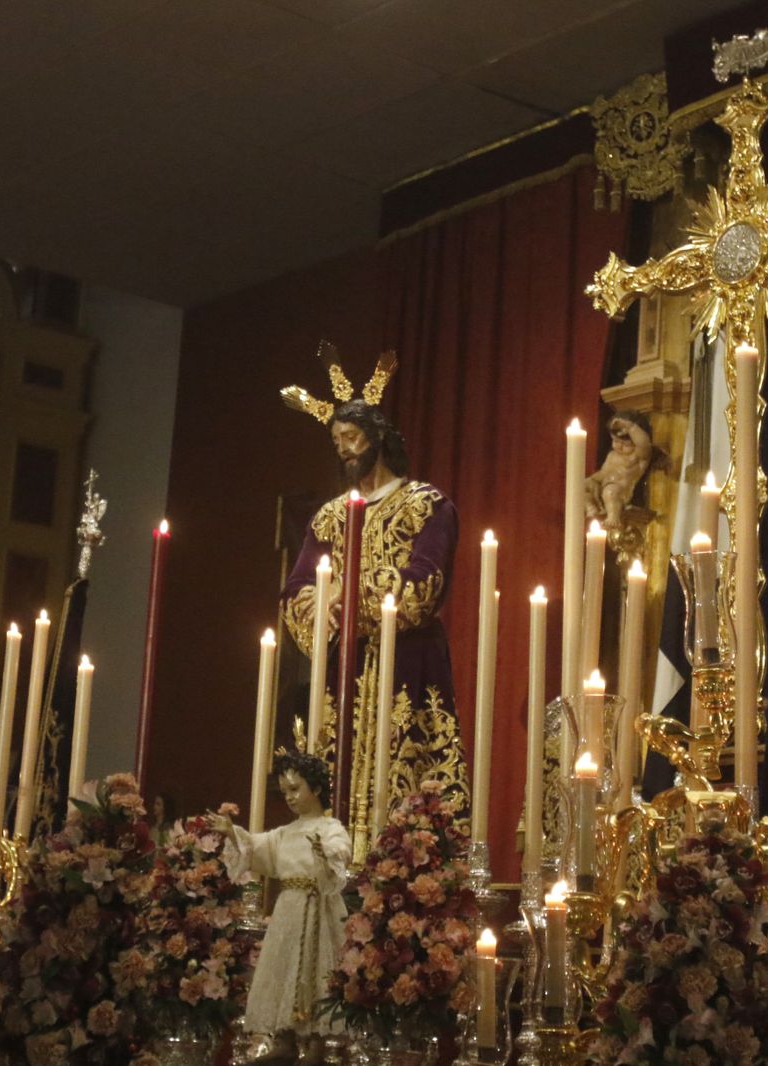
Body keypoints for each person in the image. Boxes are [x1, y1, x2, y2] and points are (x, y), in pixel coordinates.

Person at [279, 386, 465, 860]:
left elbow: (425, 581)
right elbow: (297, 588)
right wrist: (322, 604)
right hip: (344, 667)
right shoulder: (327, 518)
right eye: (337, 440)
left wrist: (351, 591)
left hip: (407, 663)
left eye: (352, 437)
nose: (344, 449)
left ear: (378, 438)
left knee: (407, 789)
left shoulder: (427, 505)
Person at [212, 751, 349, 1058]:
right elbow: (258, 848)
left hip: (317, 909)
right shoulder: (285, 833)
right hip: (288, 910)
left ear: (315, 789)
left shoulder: (330, 828)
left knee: (316, 972)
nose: (288, 797)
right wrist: (232, 832)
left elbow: (340, 853)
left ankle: (315, 1041)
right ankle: (284, 1038)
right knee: (285, 968)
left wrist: (324, 853)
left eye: (295, 789)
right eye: (285, 791)